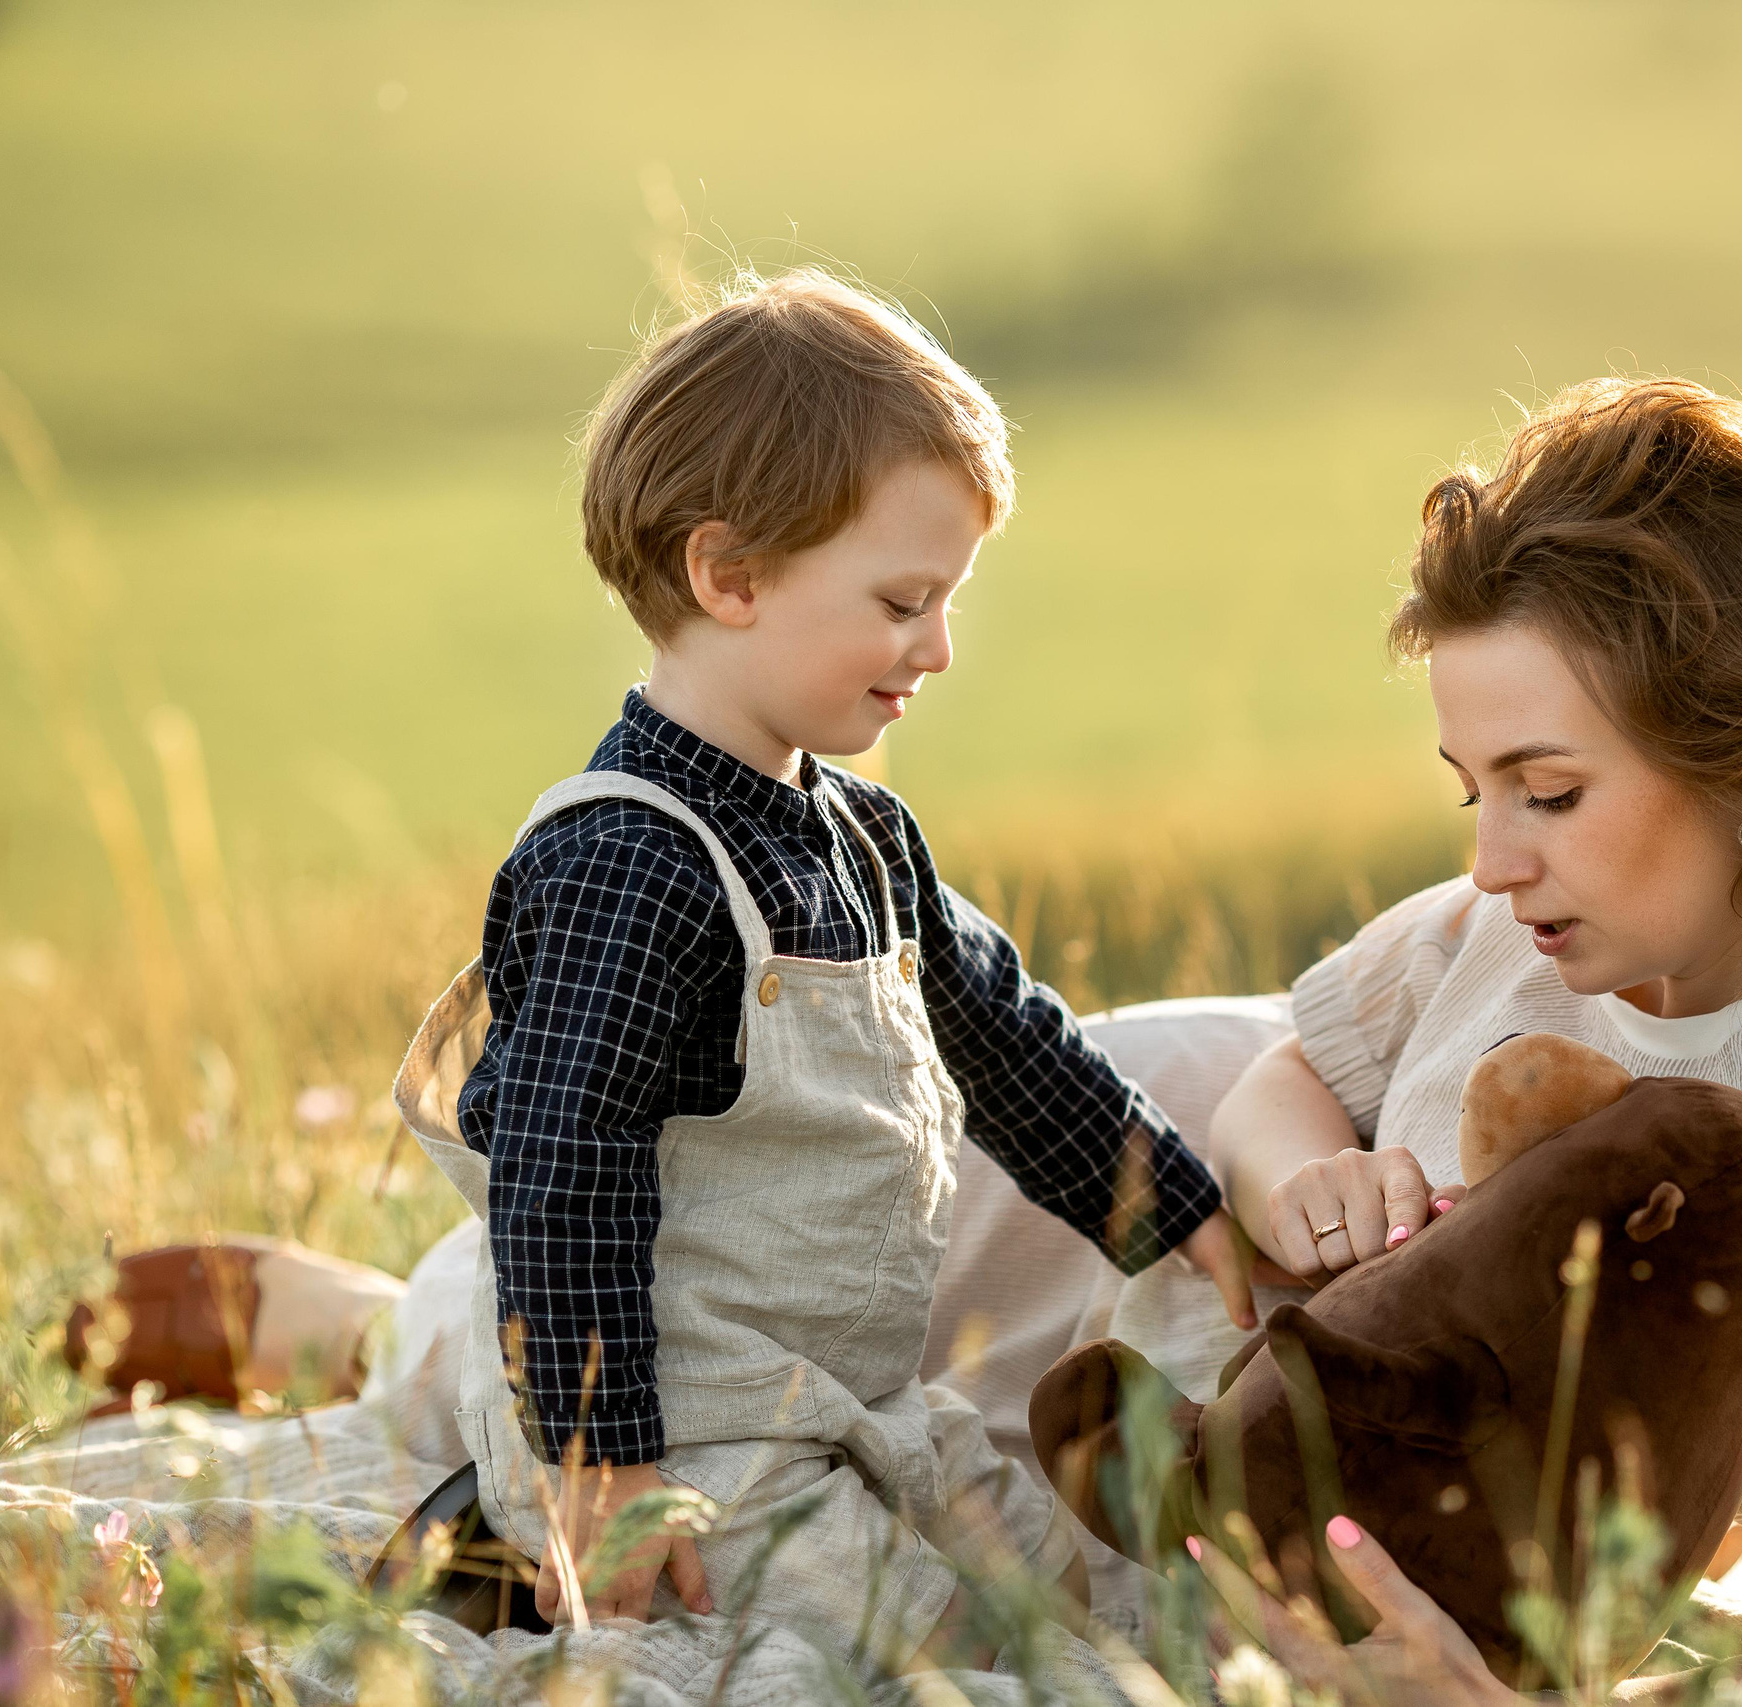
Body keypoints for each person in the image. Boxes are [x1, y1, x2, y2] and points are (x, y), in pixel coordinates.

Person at [388, 269, 1257, 1671]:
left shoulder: (860, 836)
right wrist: (599, 1466)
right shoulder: (626, 863)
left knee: (1059, 1597)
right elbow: (561, 1168)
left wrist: (1176, 1205)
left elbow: (1004, 1038)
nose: (940, 647)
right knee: (936, 1660)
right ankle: (512, 1555)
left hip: (859, 1404)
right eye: (905, 600)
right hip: (689, 1439)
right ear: (729, 576)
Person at [1199, 376, 1742, 1705]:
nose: (1490, 863)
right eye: (1473, 794)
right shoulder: (1506, 933)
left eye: (1549, 792)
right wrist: (1299, 1181)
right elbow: (1283, 1071)